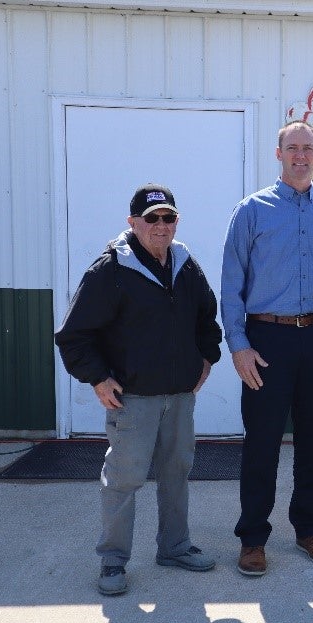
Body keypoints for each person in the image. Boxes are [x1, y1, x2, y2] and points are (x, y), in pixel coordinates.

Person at [55, 183, 223, 596]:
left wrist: (207, 357)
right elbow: (74, 335)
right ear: (133, 222)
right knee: (123, 480)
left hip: (180, 397)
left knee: (176, 474)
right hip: (133, 399)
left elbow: (207, 317)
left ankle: (175, 547)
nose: (161, 226)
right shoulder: (109, 270)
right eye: (151, 219)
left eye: (168, 217)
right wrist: (97, 378)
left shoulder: (186, 265)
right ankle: (113, 561)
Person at [221, 121, 313, 576]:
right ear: (279, 153)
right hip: (267, 342)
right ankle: (252, 539)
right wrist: (239, 346)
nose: (300, 155)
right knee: (261, 443)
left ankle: (309, 530)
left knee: (312, 442)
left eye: (307, 148)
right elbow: (230, 286)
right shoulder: (252, 211)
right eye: (292, 148)